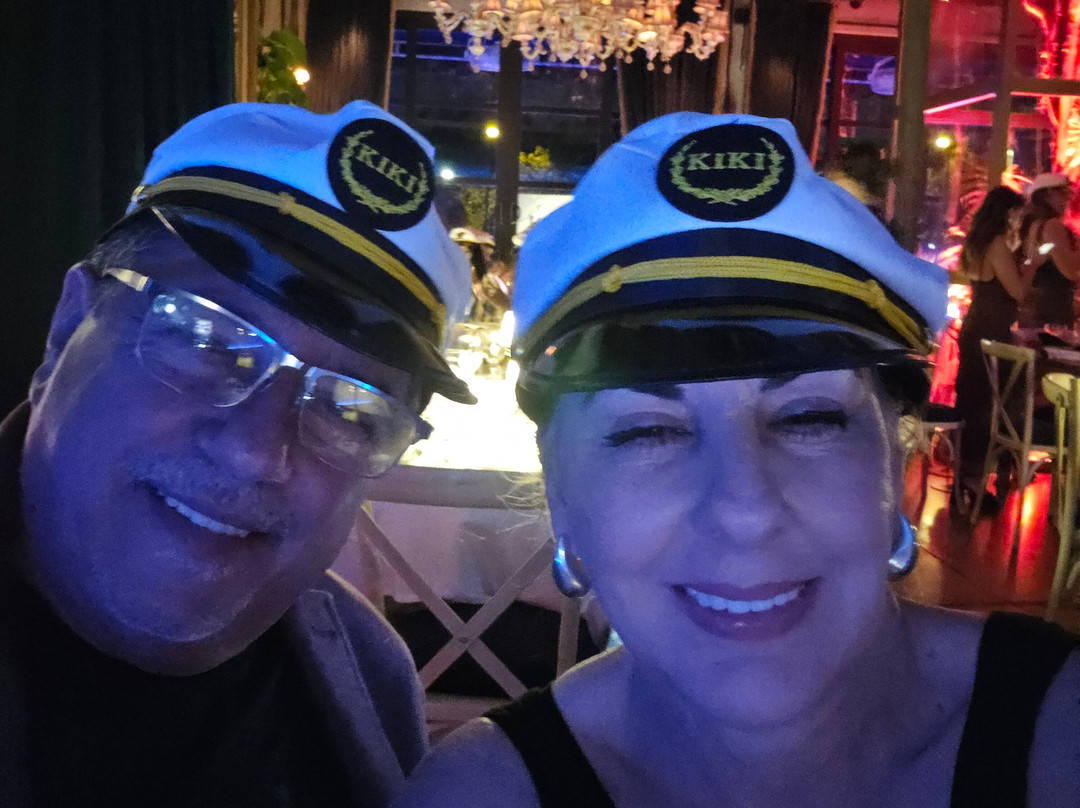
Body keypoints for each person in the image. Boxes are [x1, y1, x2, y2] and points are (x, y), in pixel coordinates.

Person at [392, 114, 1080, 808]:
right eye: (648, 432)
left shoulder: (1062, 728)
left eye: (809, 418)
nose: (745, 509)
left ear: (898, 464)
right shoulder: (473, 794)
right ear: (561, 495)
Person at [0, 100, 476, 807]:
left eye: (351, 407)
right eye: (206, 338)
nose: (258, 451)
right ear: (69, 326)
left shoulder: (370, 677)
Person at [952, 186, 1031, 514]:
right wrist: (1033, 263)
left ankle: (965, 480)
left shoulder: (977, 243)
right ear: (1007, 212)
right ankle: (975, 480)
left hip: (975, 327)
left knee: (972, 401)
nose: (1019, 220)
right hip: (990, 331)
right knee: (987, 404)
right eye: (1017, 214)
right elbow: (1018, 291)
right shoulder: (997, 245)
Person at [1020, 172, 1080, 328]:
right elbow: (1070, 271)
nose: (1068, 200)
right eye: (1064, 194)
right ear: (1048, 193)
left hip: (1035, 312)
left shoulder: (1032, 225)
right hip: (1053, 313)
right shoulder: (1052, 226)